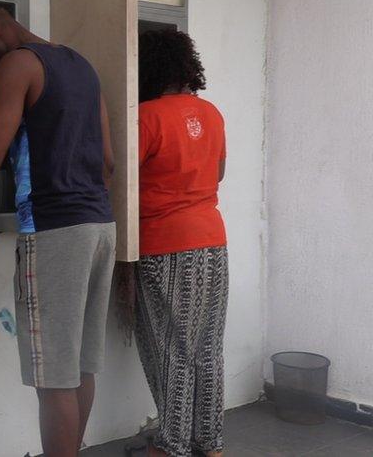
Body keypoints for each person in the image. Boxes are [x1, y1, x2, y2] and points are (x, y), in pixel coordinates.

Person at [0, 5, 116, 457]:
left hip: (55, 231)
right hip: (100, 225)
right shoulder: (81, 65)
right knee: (78, 368)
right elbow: (109, 163)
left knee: (52, 377)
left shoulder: (18, 65)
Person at [132, 29, 228, 457]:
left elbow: (120, 181)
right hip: (212, 241)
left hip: (164, 245)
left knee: (171, 347)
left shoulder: (146, 117)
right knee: (206, 346)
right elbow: (219, 172)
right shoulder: (211, 113)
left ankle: (171, 448)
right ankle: (210, 443)